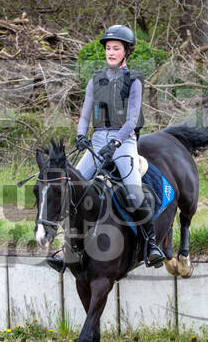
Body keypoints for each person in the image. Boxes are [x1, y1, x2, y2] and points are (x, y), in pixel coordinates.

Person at [48, 24, 164, 272]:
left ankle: (151, 245)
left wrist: (117, 142)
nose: (111, 52)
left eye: (116, 48)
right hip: (98, 140)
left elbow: (132, 120)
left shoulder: (134, 81)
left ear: (126, 51)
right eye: (108, 48)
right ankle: (65, 248)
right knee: (72, 187)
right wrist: (81, 136)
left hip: (124, 142)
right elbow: (84, 115)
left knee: (134, 194)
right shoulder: (95, 80)